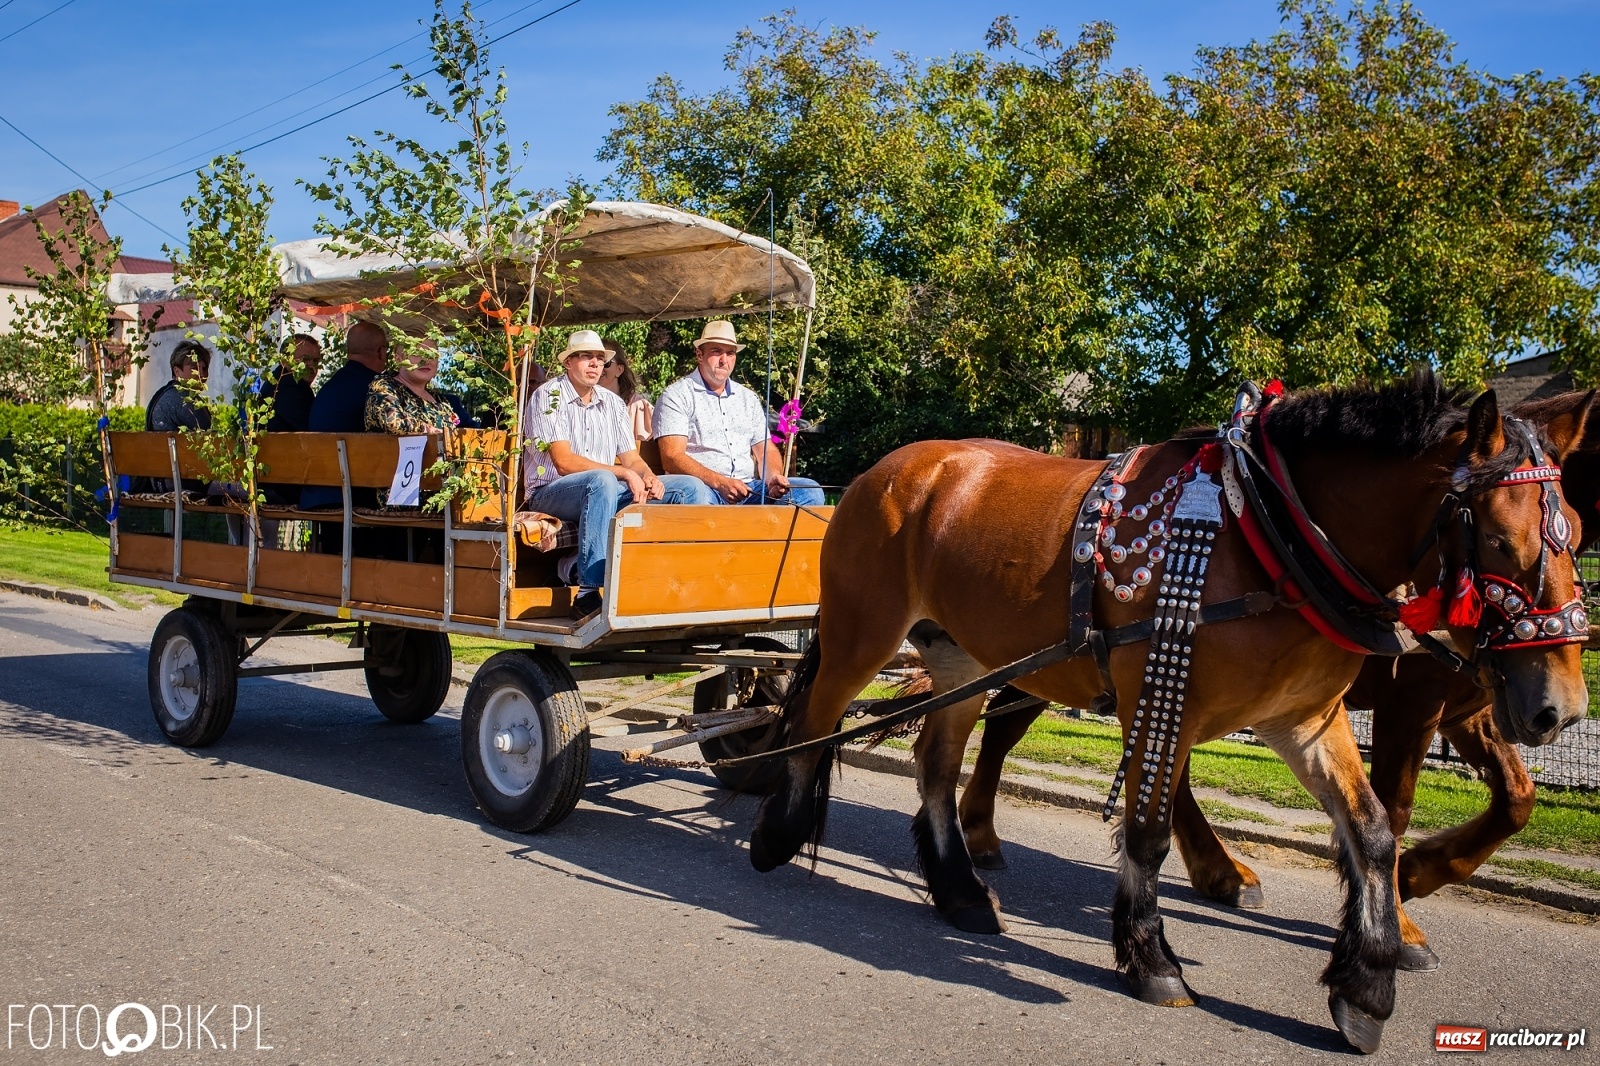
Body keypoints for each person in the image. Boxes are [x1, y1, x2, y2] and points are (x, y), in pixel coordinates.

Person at [523, 329, 710, 617]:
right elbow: (564, 462)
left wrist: (647, 476)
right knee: (603, 480)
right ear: (568, 362)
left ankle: (669, 581)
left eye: (600, 358)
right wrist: (624, 473)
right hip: (551, 492)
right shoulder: (549, 395)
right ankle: (588, 591)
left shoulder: (612, 403)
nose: (595, 364)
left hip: (603, 489)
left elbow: (632, 458)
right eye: (586, 357)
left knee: (689, 487)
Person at [654, 320, 824, 507]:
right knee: (695, 492)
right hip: (705, 488)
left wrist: (773, 477)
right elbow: (671, 457)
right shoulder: (677, 395)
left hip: (748, 489)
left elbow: (765, 450)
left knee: (809, 490)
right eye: (716, 351)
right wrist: (720, 482)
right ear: (699, 355)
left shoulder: (748, 398)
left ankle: (767, 537)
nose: (724, 360)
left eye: (730, 353)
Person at [300, 321, 389, 512]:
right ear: (381, 352)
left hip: (317, 493)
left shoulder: (329, 387)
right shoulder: (377, 390)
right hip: (354, 496)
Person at [142, 339, 212, 494]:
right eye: (194, 368)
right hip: (182, 482)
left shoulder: (160, 395)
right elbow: (213, 443)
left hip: (158, 481)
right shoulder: (187, 399)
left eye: (204, 368)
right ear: (177, 371)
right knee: (245, 491)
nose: (201, 373)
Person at [364, 339, 460, 436]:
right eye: (417, 354)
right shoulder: (384, 388)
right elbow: (392, 422)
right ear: (399, 359)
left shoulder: (440, 400)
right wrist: (429, 429)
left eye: (431, 355)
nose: (426, 361)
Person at [599, 339, 654, 446]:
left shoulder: (637, 406)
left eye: (605, 363)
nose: (598, 367)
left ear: (619, 370)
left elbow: (648, 452)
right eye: (592, 361)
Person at [264, 333, 321, 434]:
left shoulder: (278, 380)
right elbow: (315, 432)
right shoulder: (291, 387)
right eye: (305, 359)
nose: (312, 365)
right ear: (284, 361)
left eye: (316, 360)